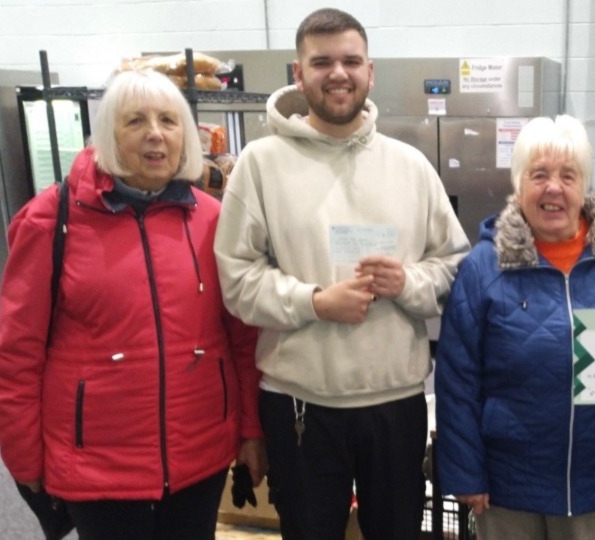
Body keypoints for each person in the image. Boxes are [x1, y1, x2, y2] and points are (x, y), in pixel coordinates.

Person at [212, 8, 470, 540]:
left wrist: (407, 284)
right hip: (301, 407)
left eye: (351, 61)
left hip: (396, 405)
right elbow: (235, 279)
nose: (338, 73)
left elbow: (453, 266)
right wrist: (314, 302)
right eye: (322, 61)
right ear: (297, 72)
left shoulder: (410, 166)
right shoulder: (260, 165)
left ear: (369, 72)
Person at [0, 69, 265, 540]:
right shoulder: (51, 221)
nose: (155, 134)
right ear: (109, 135)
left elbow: (242, 338)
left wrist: (253, 430)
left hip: (200, 454)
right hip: (96, 467)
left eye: (169, 121)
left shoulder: (213, 219)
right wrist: (25, 456)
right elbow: (17, 355)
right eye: (135, 121)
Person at [434, 115, 595, 540]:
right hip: (508, 484)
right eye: (539, 175)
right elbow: (457, 380)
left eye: (568, 175)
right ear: (519, 184)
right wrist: (466, 472)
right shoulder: (483, 267)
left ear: (584, 185)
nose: (554, 188)